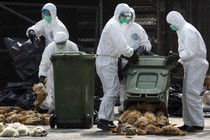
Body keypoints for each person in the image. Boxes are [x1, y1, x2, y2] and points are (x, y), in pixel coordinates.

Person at [95, 3, 138, 130]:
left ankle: (107, 119)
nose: (125, 18)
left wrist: (129, 52)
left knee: (110, 91)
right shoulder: (113, 26)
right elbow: (122, 46)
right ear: (118, 13)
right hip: (106, 61)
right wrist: (132, 53)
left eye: (128, 16)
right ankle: (102, 119)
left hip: (108, 60)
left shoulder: (115, 24)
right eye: (123, 15)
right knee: (112, 90)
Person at [166, 11, 209, 132]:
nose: (171, 26)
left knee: (192, 93)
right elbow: (187, 53)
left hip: (197, 64)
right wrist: (179, 62)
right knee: (185, 95)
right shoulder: (181, 30)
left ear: (176, 21)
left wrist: (177, 57)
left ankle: (198, 124)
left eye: (171, 23)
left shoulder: (188, 30)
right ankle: (188, 122)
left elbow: (191, 52)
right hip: (191, 64)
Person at [118, 7, 152, 113]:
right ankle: (122, 103)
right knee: (120, 84)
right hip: (119, 59)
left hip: (134, 59)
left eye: (130, 16)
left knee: (131, 82)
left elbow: (147, 44)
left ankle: (131, 105)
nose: (128, 18)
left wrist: (141, 50)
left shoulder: (138, 28)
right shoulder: (117, 27)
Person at [38, 31, 79, 113]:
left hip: (69, 71)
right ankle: (54, 111)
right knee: (56, 92)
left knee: (69, 91)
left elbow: (77, 62)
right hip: (54, 71)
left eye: (62, 43)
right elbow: (44, 63)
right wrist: (42, 76)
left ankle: (69, 110)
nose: (60, 45)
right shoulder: (50, 48)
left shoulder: (72, 46)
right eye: (58, 43)